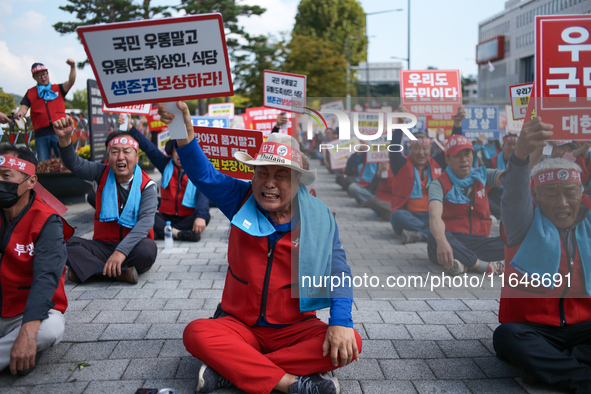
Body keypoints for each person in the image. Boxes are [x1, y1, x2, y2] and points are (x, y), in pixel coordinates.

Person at [159, 102, 361, 394]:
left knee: (351, 341)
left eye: (281, 175)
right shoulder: (239, 198)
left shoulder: (319, 216)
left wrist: (340, 322)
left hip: (295, 328)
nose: (269, 184)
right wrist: (182, 129)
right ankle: (290, 383)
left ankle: (231, 369)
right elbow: (204, 175)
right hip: (239, 325)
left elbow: (339, 272)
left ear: (297, 180)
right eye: (261, 173)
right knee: (196, 333)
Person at [493, 117, 591, 393]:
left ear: (581, 194)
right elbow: (514, 194)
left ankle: (550, 370)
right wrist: (521, 154)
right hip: (533, 329)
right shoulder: (522, 223)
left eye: (569, 192)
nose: (561, 202)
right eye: (550, 193)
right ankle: (579, 375)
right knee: (507, 337)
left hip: (584, 324)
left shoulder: (589, 222)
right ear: (535, 196)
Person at [52, 116, 158, 284]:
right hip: (102, 246)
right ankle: (119, 273)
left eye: (126, 151)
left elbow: (145, 223)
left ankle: (90, 270)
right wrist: (65, 141)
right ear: (108, 156)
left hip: (131, 248)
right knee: (59, 240)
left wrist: (121, 251)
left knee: (148, 249)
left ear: (137, 157)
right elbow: (75, 164)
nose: (120, 157)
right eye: (115, 152)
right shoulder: (100, 172)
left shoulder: (147, 185)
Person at [0, 145, 73, 375]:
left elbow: (46, 279)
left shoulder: (47, 221)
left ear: (31, 181)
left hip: (28, 314)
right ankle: (15, 354)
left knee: (52, 328)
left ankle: (23, 345)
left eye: (6, 176)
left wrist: (28, 332)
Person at [122, 114, 211, 242]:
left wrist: (200, 217)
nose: (180, 155)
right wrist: (130, 127)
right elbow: (149, 147)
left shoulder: (198, 171)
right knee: (144, 213)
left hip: (187, 217)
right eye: (177, 151)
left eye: (184, 152)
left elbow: (203, 197)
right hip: (165, 216)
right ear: (172, 152)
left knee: (205, 216)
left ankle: (163, 232)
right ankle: (178, 233)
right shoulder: (165, 164)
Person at [427, 134, 506, 275]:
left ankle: (463, 263)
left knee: (512, 242)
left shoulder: (483, 176)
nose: (464, 159)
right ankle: (482, 266)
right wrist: (442, 242)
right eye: (457, 155)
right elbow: (434, 216)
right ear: (447, 159)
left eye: (467, 154)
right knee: (435, 236)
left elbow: (513, 176)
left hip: (479, 241)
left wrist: (532, 151)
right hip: (451, 240)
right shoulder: (437, 184)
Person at [387, 105, 465, 244]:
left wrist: (457, 124)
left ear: (431, 149)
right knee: (397, 216)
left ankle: (421, 235)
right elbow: (393, 149)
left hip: (435, 215)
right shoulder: (400, 164)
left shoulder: (437, 163)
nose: (421, 152)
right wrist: (400, 123)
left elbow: (454, 148)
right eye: (417, 148)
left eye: (425, 148)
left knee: (455, 218)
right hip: (409, 216)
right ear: (409, 149)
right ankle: (434, 233)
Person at [14, 60, 76, 162]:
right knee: (43, 162)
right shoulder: (31, 92)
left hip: (60, 130)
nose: (42, 77)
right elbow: (23, 108)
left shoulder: (58, 88)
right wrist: (20, 113)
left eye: (44, 74)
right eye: (38, 75)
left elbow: (71, 81)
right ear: (34, 78)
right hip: (41, 132)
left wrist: (73, 67)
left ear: (48, 74)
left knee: (65, 160)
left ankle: (67, 177)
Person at [488, 133, 518, 220]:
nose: (512, 147)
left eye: (514, 144)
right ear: (503, 146)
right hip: (496, 203)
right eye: (509, 144)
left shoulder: (523, 163)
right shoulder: (491, 162)